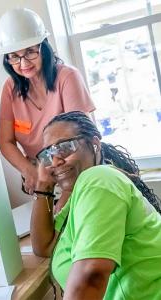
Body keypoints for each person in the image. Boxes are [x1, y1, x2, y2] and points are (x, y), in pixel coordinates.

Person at [31, 111, 161, 299]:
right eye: (49, 154)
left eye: (65, 147)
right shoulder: (79, 195)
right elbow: (45, 246)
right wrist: (43, 186)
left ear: (94, 144)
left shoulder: (99, 180)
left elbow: (91, 277)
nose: (56, 161)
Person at [0, 8, 95, 199]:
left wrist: (67, 191)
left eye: (30, 52)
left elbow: (83, 139)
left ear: (44, 48)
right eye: (14, 56)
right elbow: (5, 142)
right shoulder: (10, 88)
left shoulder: (67, 77)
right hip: (42, 178)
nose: (23, 63)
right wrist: (29, 171)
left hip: (76, 173)